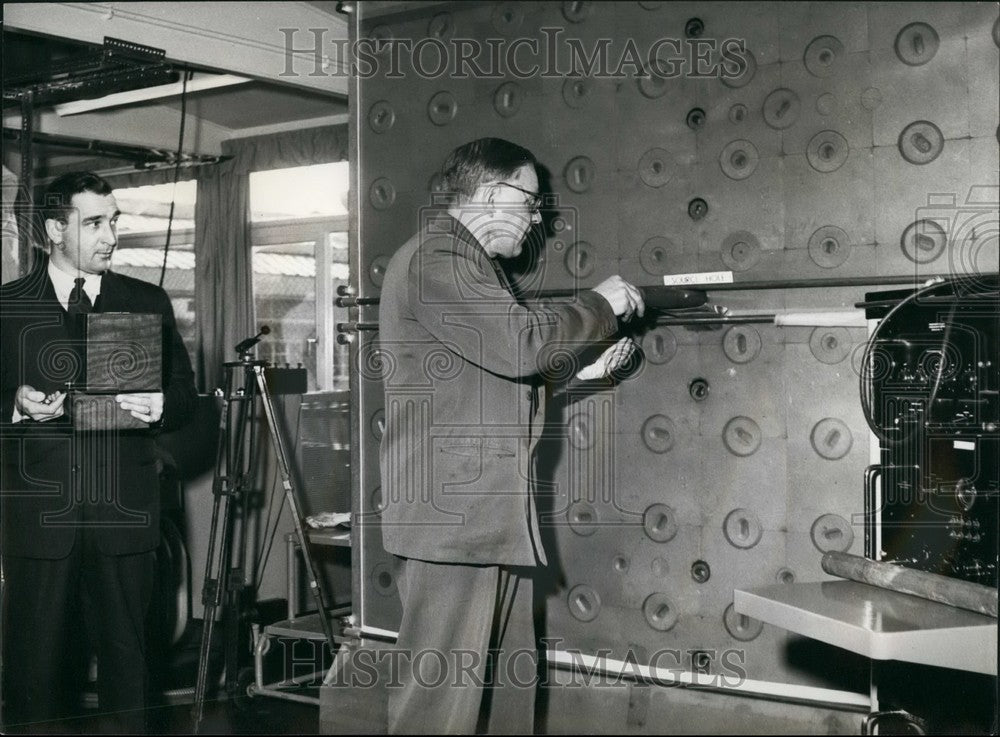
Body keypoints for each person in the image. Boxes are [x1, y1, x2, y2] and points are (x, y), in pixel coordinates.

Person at [377, 138, 644, 734]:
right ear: (495, 193)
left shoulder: (464, 264)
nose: (537, 219)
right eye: (530, 202)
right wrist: (599, 304)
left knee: (500, 708)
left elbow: (493, 382)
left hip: (482, 523)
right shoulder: (438, 257)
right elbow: (520, 343)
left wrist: (581, 371)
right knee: (437, 714)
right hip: (455, 525)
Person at [0, 171, 197, 732]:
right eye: (94, 224)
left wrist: (162, 405)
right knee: (32, 678)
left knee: (129, 676)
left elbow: (186, 395)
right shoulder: (7, 306)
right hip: (39, 522)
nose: (111, 236)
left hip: (124, 518)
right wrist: (14, 404)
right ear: (53, 230)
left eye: (113, 222)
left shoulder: (145, 300)